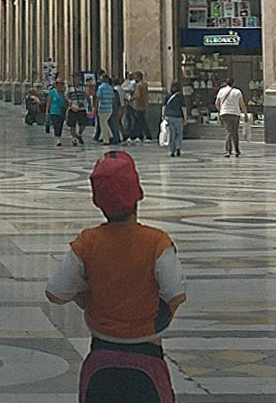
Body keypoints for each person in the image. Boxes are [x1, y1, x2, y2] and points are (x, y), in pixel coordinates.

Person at [46, 149, 185, 403]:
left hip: (101, 357)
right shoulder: (157, 242)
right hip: (148, 357)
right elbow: (175, 290)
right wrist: (157, 316)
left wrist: (86, 297)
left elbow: (55, 291)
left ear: (97, 200)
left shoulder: (88, 242)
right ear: (139, 193)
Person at [215, 76, 247, 156]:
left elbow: (217, 103)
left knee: (228, 132)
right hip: (235, 114)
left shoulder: (221, 91)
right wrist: (245, 114)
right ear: (233, 83)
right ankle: (236, 150)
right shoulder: (237, 92)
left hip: (224, 113)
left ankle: (228, 151)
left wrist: (220, 110)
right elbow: (242, 104)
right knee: (235, 132)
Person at [162, 83, 184, 158]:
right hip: (178, 117)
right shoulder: (180, 96)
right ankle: (178, 147)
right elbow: (183, 108)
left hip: (169, 117)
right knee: (179, 133)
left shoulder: (167, 95)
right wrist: (185, 117)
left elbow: (164, 106)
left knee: (171, 134)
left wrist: (163, 116)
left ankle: (172, 150)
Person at [67, 76, 89, 146]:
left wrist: (90, 104)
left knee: (83, 124)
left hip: (81, 108)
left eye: (78, 79)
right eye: (76, 79)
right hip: (73, 107)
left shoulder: (83, 87)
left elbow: (87, 96)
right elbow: (66, 95)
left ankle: (79, 134)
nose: (77, 81)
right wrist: (69, 101)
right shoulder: (70, 87)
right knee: (72, 124)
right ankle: (74, 138)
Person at [130, 73, 151, 143]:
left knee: (140, 121)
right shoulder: (145, 84)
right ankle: (139, 135)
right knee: (138, 121)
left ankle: (147, 135)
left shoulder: (138, 85)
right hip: (143, 105)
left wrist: (131, 98)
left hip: (138, 105)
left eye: (135, 77)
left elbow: (138, 95)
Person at [95, 74, 116, 145]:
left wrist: (95, 107)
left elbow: (98, 98)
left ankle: (106, 140)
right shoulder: (110, 88)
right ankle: (110, 135)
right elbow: (113, 98)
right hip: (109, 108)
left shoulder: (101, 87)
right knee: (105, 122)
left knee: (103, 124)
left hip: (102, 108)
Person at [46, 78, 67, 146]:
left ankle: (58, 137)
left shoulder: (64, 93)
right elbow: (48, 102)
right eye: (58, 84)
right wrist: (47, 111)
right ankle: (57, 138)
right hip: (53, 111)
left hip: (61, 111)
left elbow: (66, 102)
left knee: (60, 125)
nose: (59, 86)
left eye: (61, 84)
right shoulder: (52, 92)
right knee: (56, 125)